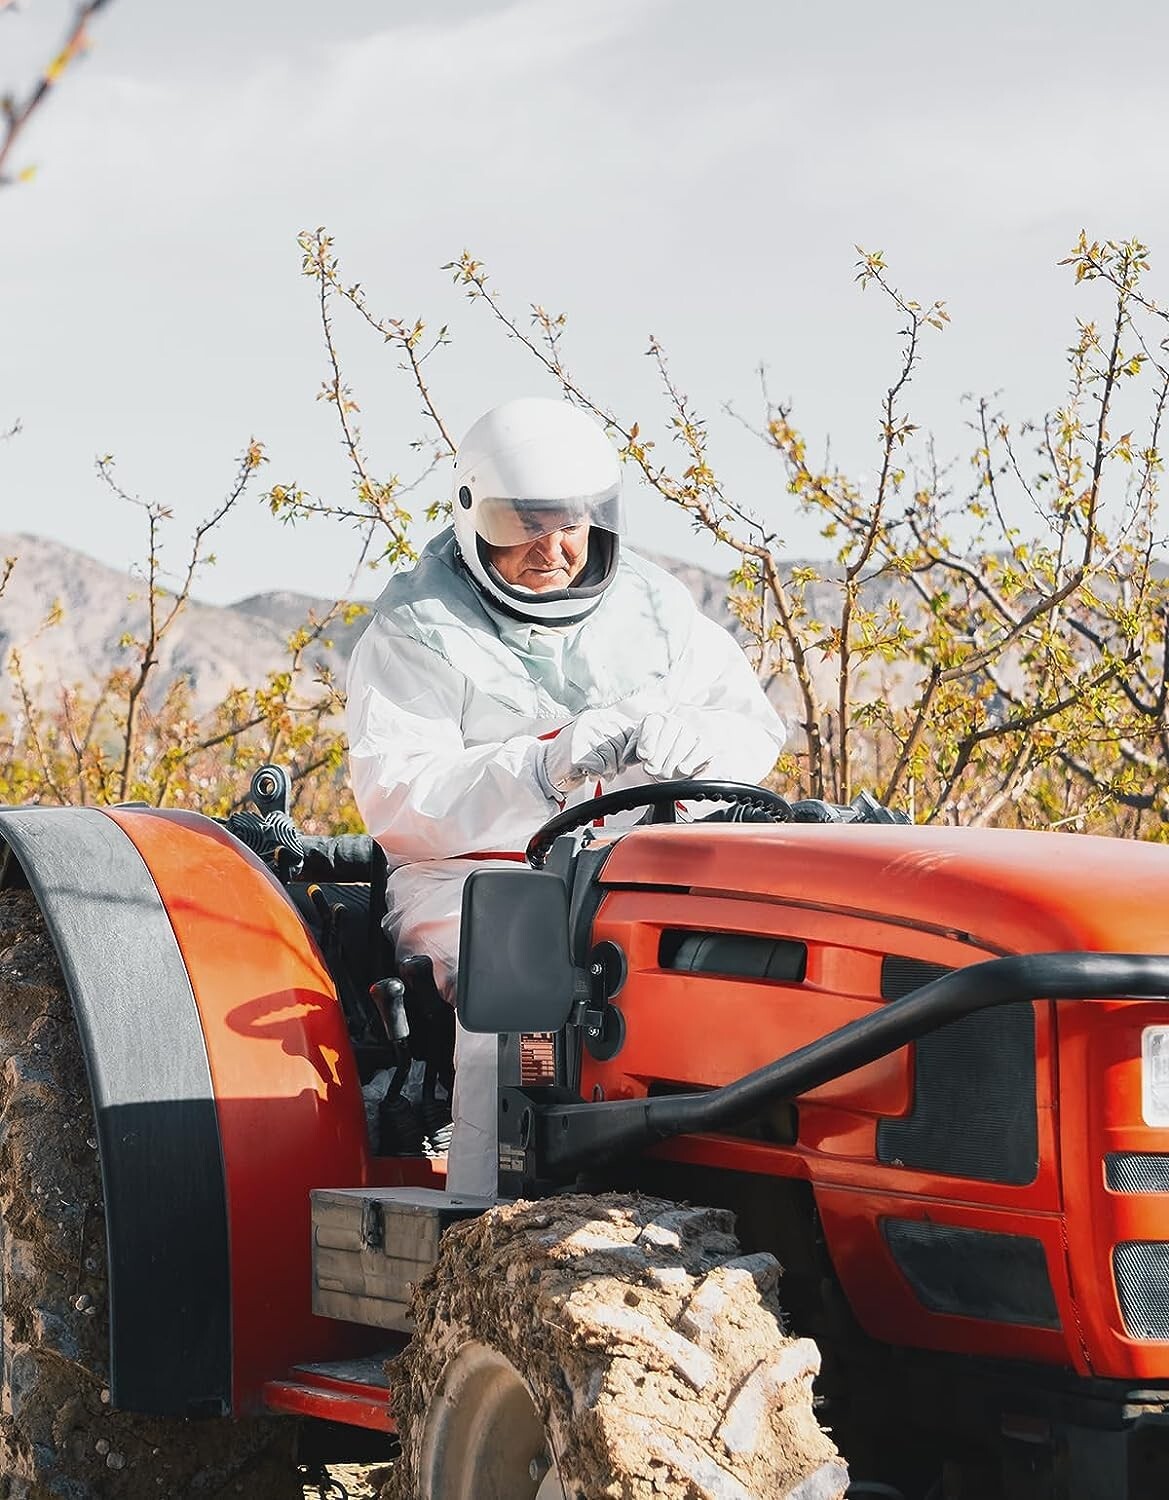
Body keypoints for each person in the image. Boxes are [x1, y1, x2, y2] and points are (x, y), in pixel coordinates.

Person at [346, 397, 785, 1194]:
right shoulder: (418, 627)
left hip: (641, 866)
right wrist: (545, 765)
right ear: (476, 514)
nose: (552, 548)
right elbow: (399, 798)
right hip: (476, 878)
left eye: (571, 522)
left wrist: (698, 742)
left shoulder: (655, 612)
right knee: (519, 992)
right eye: (524, 523)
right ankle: (488, 1232)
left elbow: (751, 729)